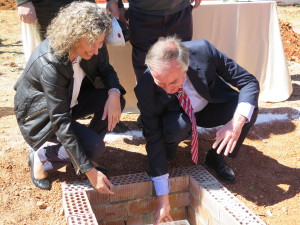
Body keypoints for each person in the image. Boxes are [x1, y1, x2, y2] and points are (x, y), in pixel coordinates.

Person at [134, 36, 259, 224]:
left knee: (247, 108)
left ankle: (216, 156)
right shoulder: (145, 87)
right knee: (173, 130)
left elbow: (248, 82)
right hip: (177, 117)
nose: (168, 89)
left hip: (208, 107)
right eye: (161, 83)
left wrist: (236, 123)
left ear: (185, 65)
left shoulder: (204, 51)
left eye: (174, 82)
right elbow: (153, 137)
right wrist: (163, 198)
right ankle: (168, 156)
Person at [14, 2, 126, 193]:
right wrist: (90, 171)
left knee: (115, 100)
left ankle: (83, 155)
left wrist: (114, 93)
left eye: (100, 43)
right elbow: (59, 120)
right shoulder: (51, 63)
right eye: (93, 44)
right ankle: (41, 158)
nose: (97, 51)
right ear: (75, 37)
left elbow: (107, 70)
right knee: (94, 147)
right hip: (40, 116)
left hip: (68, 101)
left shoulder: (90, 45)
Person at [106, 0, 202, 82]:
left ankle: (180, 102)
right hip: (141, 14)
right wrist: (116, 3)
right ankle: (148, 103)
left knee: (181, 64)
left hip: (179, 11)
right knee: (144, 71)